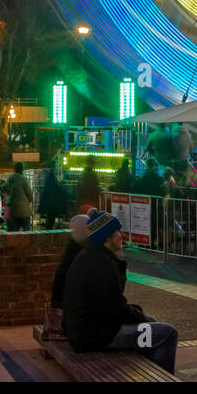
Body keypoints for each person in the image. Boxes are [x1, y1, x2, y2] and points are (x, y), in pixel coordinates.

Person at [63, 210, 178, 373]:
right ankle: (162, 377)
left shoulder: (88, 256)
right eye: (117, 231)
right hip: (95, 336)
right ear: (107, 237)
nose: (121, 235)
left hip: (85, 330)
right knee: (167, 333)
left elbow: (111, 304)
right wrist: (141, 317)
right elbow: (117, 309)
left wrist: (141, 316)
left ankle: (149, 373)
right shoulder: (101, 264)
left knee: (151, 324)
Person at [3, 162, 34, 232]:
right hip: (24, 210)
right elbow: (29, 194)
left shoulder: (10, 179)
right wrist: (31, 201)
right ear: (22, 169)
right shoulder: (23, 179)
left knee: (13, 232)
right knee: (27, 230)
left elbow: (6, 190)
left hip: (13, 210)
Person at [39, 156, 66, 230]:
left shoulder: (49, 175)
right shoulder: (51, 176)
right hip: (51, 203)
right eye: (56, 165)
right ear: (53, 166)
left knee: (50, 221)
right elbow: (54, 189)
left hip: (49, 203)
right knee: (50, 221)